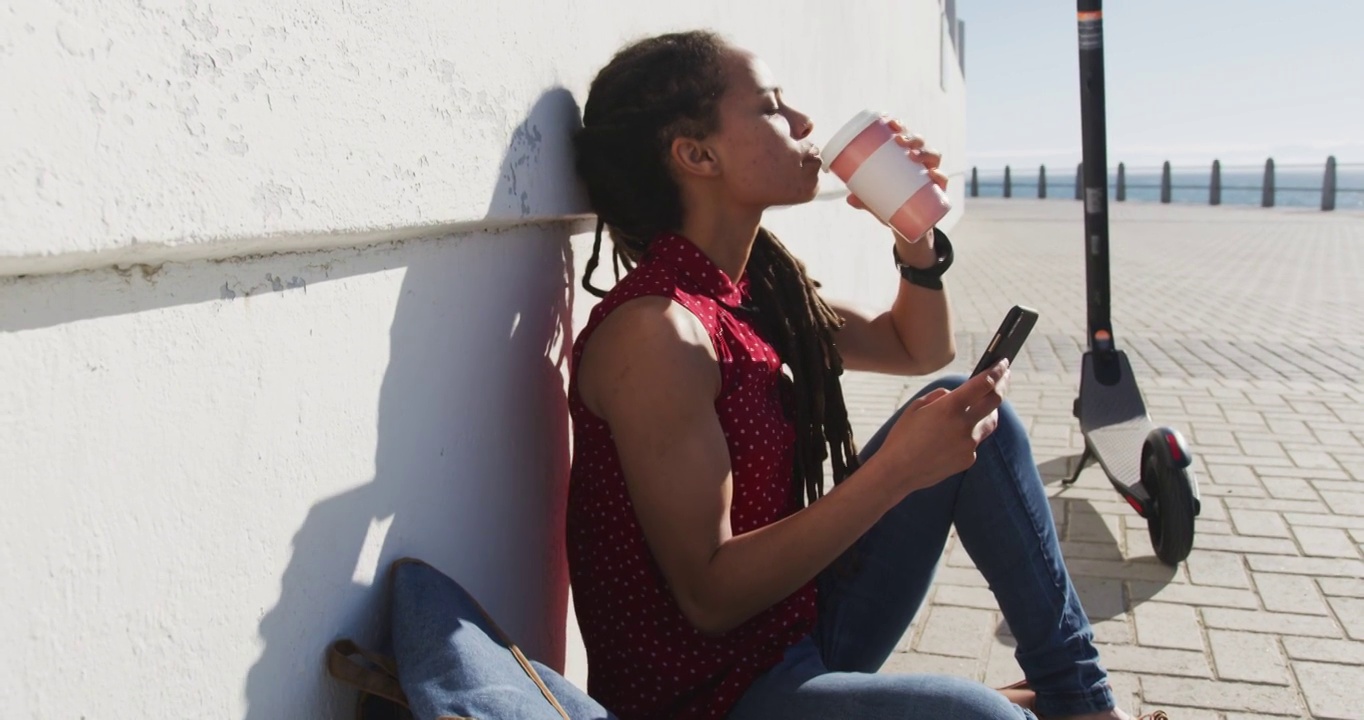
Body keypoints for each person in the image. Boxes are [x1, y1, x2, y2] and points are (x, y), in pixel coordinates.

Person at [558, 29, 1170, 720]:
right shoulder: (658, 332)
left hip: (792, 632)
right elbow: (709, 596)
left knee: (972, 418)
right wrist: (896, 472)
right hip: (710, 697)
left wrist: (914, 238)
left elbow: (917, 348)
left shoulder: (753, 289)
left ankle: (1081, 703)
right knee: (981, 716)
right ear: (697, 155)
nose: (803, 124)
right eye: (770, 108)